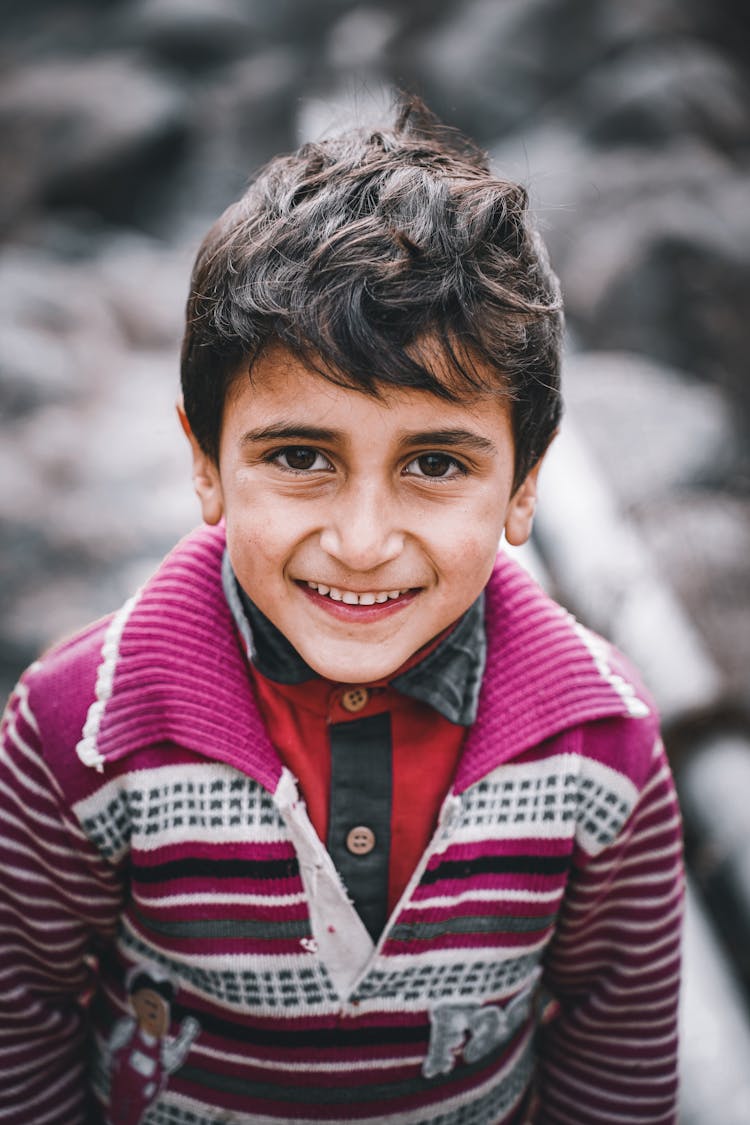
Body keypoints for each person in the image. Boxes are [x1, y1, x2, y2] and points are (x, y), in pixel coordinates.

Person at [0, 97, 684, 1124]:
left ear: (525, 487)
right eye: (301, 457)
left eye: (437, 463)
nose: (362, 542)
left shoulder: (603, 747)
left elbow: (613, 1046)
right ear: (206, 463)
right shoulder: (78, 733)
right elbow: (22, 1016)